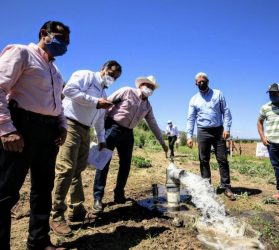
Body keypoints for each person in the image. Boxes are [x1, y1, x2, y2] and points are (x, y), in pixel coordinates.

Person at [0, 21, 70, 250]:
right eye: (60, 39)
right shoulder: (22, 53)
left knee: (43, 189)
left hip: (48, 133)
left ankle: (38, 241)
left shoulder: (55, 71)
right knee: (5, 192)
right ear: (44, 34)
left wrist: (61, 126)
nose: (64, 46)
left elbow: (58, 103)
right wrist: (7, 128)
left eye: (67, 43)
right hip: (22, 127)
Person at [49, 60, 122, 236]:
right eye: (111, 73)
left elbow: (98, 119)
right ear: (103, 69)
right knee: (66, 168)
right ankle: (56, 215)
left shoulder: (104, 92)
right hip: (70, 124)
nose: (112, 78)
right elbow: (68, 91)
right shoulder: (86, 76)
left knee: (77, 170)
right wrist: (96, 101)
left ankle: (77, 210)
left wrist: (102, 139)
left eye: (116, 77)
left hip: (85, 130)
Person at [92, 75, 168, 212]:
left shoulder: (147, 106)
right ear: (140, 85)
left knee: (125, 165)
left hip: (128, 133)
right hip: (112, 127)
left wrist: (162, 142)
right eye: (147, 85)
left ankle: (119, 195)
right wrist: (99, 128)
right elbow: (106, 103)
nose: (149, 89)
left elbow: (153, 124)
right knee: (103, 163)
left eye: (152, 88)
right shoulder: (127, 91)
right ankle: (98, 198)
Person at [186, 72, 235, 201]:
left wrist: (227, 128)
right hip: (203, 131)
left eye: (204, 81)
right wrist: (189, 136)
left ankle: (226, 186)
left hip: (218, 131)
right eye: (199, 81)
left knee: (222, 159)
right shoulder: (194, 99)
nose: (201, 83)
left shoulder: (218, 94)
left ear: (208, 81)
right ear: (196, 83)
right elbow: (191, 119)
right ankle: (206, 187)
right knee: (203, 160)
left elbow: (226, 111)